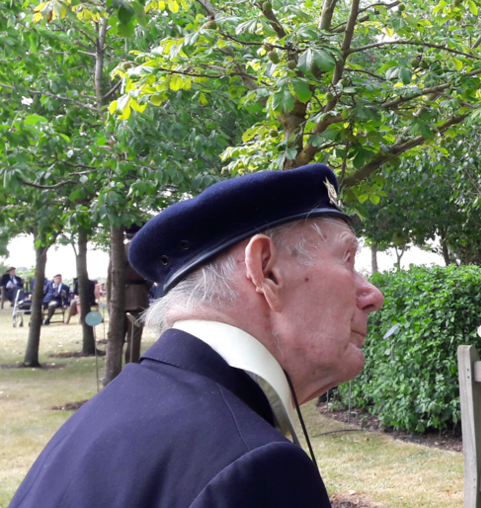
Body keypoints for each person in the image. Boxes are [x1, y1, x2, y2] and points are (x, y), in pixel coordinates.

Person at [11, 163, 384, 508]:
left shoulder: (102, 419)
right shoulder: (252, 466)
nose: (372, 296)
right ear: (266, 271)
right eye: (347, 260)